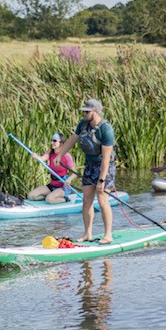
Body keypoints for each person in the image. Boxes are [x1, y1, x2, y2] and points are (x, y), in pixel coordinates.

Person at [54, 98, 116, 244]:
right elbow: (72, 140)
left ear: (96, 112)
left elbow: (106, 158)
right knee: (86, 200)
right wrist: (60, 155)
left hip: (105, 167)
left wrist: (101, 180)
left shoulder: (106, 129)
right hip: (90, 165)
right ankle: (88, 233)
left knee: (102, 199)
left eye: (87, 112)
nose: (84, 114)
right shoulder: (83, 124)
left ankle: (108, 235)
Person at [27, 132, 77, 204]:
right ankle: (51, 196)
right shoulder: (49, 154)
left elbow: (74, 173)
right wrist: (36, 157)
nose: (52, 142)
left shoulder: (67, 156)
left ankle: (66, 199)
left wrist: (69, 179)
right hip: (52, 185)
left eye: (54, 141)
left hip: (63, 187)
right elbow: (42, 159)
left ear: (61, 143)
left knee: (49, 199)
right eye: (51, 140)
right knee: (31, 196)